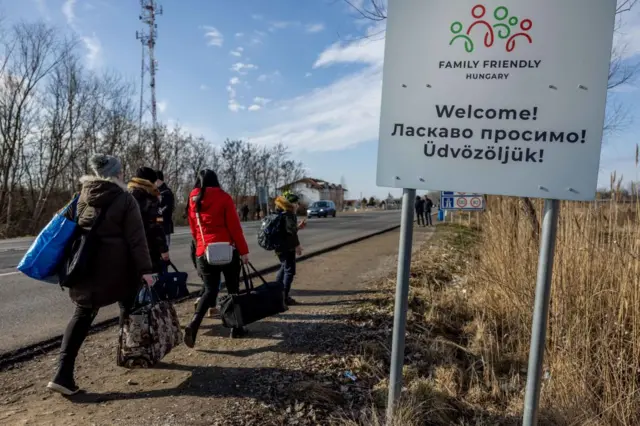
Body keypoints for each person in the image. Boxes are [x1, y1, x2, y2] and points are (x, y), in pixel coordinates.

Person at [47, 154, 155, 396]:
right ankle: (131, 354)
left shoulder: (81, 197)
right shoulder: (125, 200)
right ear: (116, 174)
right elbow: (137, 240)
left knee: (83, 314)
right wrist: (146, 270)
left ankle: (63, 373)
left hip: (84, 264)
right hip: (118, 269)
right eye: (121, 172)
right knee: (129, 304)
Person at [185, 169, 250, 345]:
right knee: (232, 288)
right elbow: (235, 227)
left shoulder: (193, 199)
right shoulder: (224, 197)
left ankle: (194, 323)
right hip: (228, 249)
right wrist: (243, 251)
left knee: (209, 290)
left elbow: (193, 228)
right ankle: (236, 327)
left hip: (204, 251)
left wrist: (200, 247)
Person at [128, 167, 169, 272]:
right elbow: (157, 226)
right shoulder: (150, 197)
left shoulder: (126, 195)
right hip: (149, 248)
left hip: (129, 247)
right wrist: (163, 249)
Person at [274, 191, 306, 306]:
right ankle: (283, 298)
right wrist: (297, 246)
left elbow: (288, 231)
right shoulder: (290, 214)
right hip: (287, 247)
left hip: (278, 246)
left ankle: (276, 294)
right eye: (296, 203)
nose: (297, 205)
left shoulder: (280, 212)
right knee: (289, 271)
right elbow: (291, 234)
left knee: (283, 268)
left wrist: (298, 227)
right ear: (291, 204)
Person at [155, 171, 175, 247]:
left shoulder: (166, 193)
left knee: (164, 250)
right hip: (157, 225)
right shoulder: (156, 191)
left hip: (164, 225)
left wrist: (157, 215)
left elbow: (168, 209)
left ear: (158, 180)